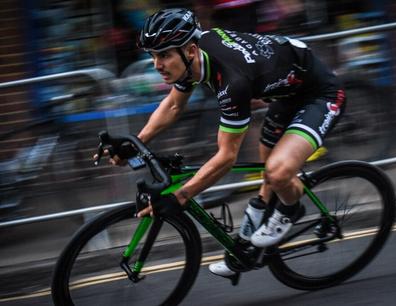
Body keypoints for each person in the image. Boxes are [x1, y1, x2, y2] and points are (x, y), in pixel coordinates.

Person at [121, 8, 346, 278]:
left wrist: (181, 196)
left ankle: (291, 208)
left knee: (277, 171)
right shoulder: (192, 58)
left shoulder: (231, 81)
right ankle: (250, 245)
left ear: (190, 50)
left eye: (165, 55)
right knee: (268, 171)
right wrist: (136, 141)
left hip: (320, 95)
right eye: (153, 56)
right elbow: (171, 106)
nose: (157, 65)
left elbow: (227, 157)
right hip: (287, 93)